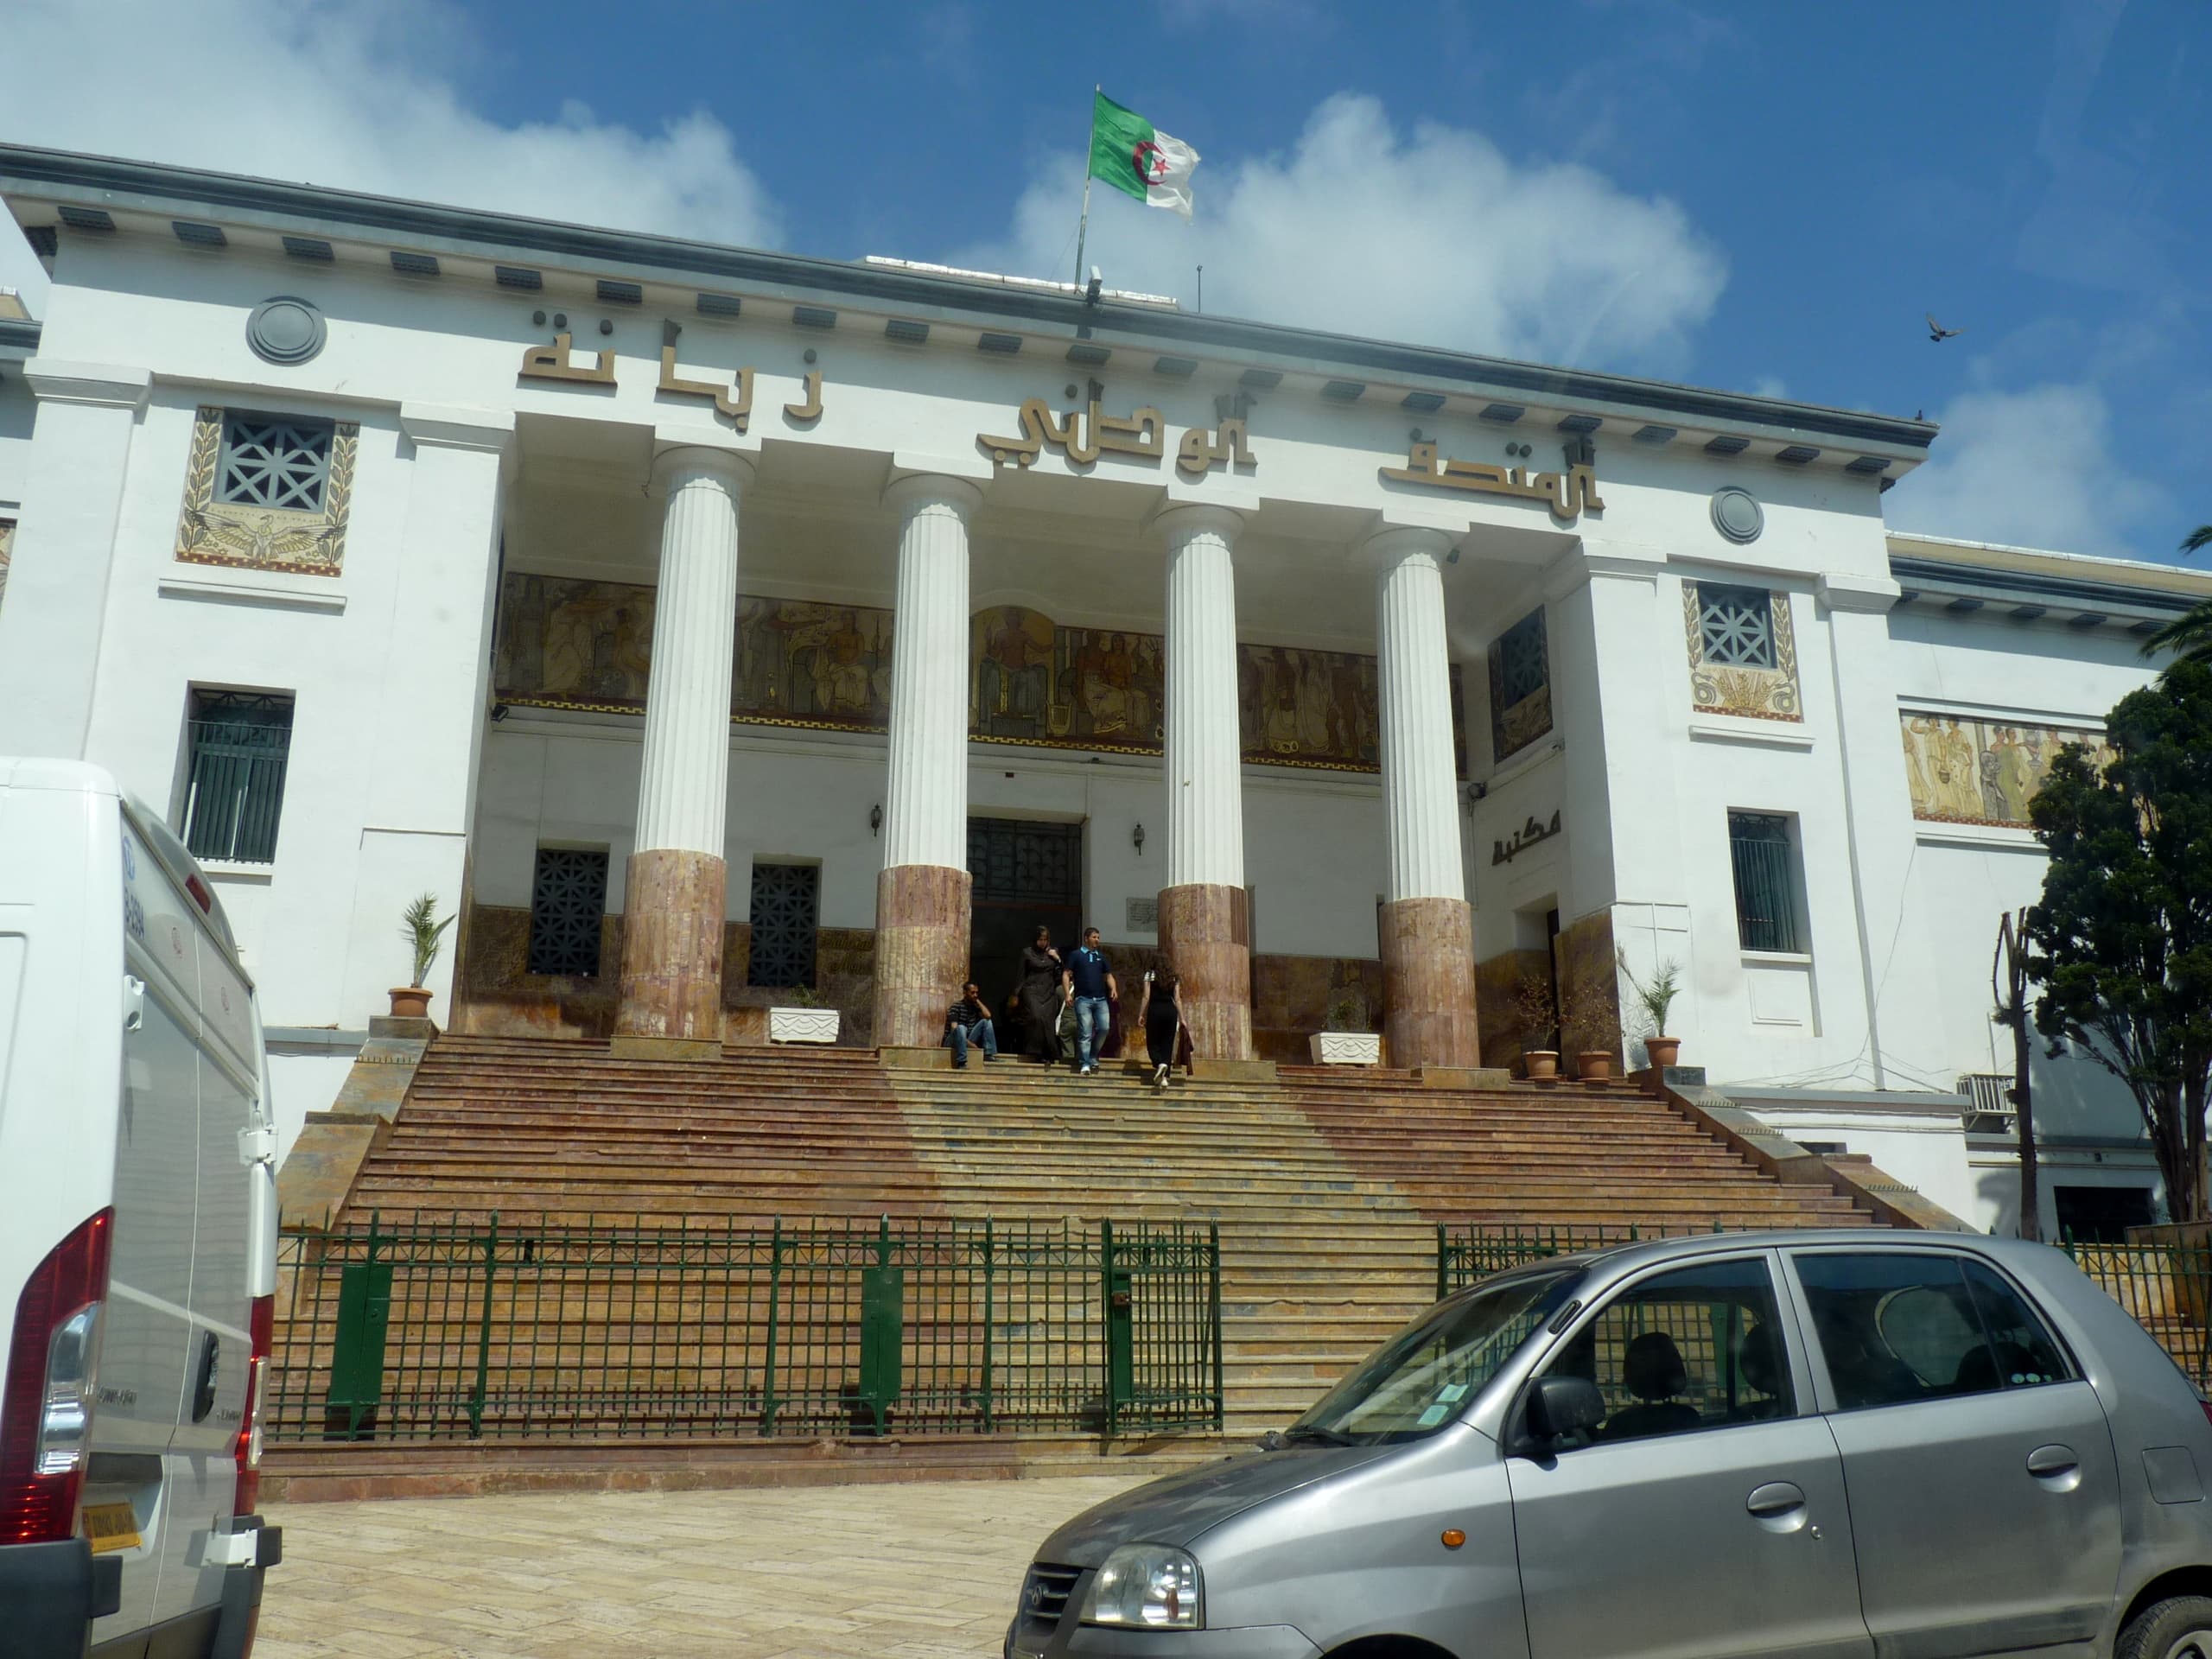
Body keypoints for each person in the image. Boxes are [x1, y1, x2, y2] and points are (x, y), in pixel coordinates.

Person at [1065, 926, 1117, 1076]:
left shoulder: (1101, 957)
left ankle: (1093, 1055)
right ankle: (1085, 1063)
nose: (1097, 940)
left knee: (1104, 1028)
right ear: (1086, 938)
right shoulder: (1076, 955)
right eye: (1094, 937)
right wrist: (1068, 994)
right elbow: (1066, 974)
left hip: (1100, 1000)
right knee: (1085, 1032)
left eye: (1098, 937)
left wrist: (1113, 988)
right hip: (1083, 1000)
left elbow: (1108, 975)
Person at [1016, 926, 1065, 1064]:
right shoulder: (1027, 953)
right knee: (1036, 1017)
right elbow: (1021, 975)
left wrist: (1057, 959)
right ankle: (1035, 1051)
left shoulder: (1052, 953)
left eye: (1045, 939)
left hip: (1048, 992)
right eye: (1040, 939)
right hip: (1031, 989)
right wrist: (1016, 994)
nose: (1043, 942)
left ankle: (1048, 1054)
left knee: (1047, 1021)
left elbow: (1062, 973)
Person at [1135, 967, 1189, 1088]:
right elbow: (1177, 999)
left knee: (1152, 1041)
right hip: (1170, 1011)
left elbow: (1146, 996)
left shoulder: (1149, 975)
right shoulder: (1174, 976)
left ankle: (1159, 1063)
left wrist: (1140, 1014)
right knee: (1167, 1044)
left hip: (1155, 1010)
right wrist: (1182, 1018)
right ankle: (1165, 1077)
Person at [944, 981, 996, 1069]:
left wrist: (978, 1001)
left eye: (976, 992)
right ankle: (961, 1062)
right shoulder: (956, 1006)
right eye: (972, 992)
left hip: (967, 1039)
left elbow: (988, 1015)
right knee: (961, 1028)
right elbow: (954, 1030)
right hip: (952, 1040)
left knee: (987, 1021)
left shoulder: (975, 1007)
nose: (975, 995)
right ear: (965, 993)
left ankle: (988, 1055)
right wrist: (972, 1045)